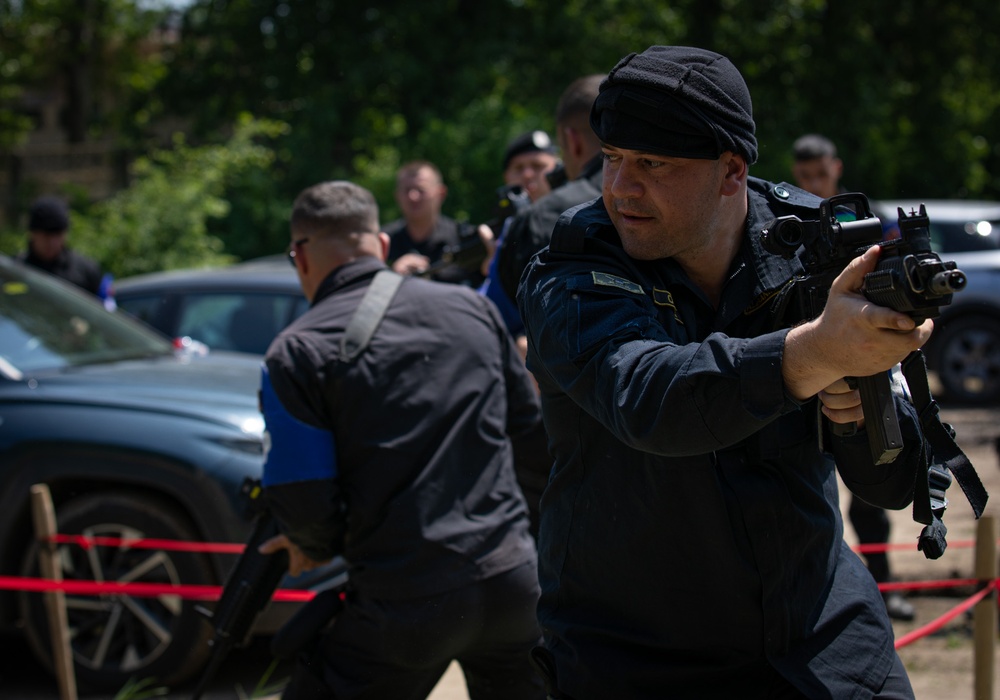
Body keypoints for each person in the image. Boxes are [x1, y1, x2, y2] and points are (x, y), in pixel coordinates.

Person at [518, 46, 936, 699]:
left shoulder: (813, 251)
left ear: (731, 171)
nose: (621, 187)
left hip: (822, 636)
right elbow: (648, 397)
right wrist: (815, 353)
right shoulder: (571, 270)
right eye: (613, 158)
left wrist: (864, 410)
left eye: (653, 163)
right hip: (638, 656)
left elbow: (891, 480)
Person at [257, 180, 545, 700]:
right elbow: (532, 439)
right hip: (514, 582)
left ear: (299, 256)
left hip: (406, 602)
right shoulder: (472, 310)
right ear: (384, 246)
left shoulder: (297, 351)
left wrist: (311, 545)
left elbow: (306, 500)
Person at [791, 133, 916, 623]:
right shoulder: (790, 222)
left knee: (872, 482)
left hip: (863, 355)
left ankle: (884, 588)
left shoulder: (864, 219)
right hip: (804, 356)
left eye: (820, 174)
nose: (814, 183)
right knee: (813, 485)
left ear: (836, 169)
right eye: (805, 176)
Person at [496, 74, 605, 306]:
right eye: (519, 168)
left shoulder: (543, 218)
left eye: (537, 167)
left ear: (572, 142)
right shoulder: (665, 189)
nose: (528, 176)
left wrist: (495, 267)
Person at [385, 160, 483, 286]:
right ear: (397, 196)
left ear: (441, 193)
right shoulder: (382, 242)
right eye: (407, 190)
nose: (413, 196)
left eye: (421, 190)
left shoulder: (465, 239)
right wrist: (391, 276)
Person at [16, 195, 104, 297]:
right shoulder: (16, 269)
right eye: (46, 235)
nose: (52, 242)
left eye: (57, 235)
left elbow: (105, 308)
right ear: (32, 233)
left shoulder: (86, 271)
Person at [791, 133, 844, 200]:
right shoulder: (783, 209)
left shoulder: (858, 209)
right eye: (805, 176)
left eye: (822, 174)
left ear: (838, 169)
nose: (815, 186)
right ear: (795, 172)